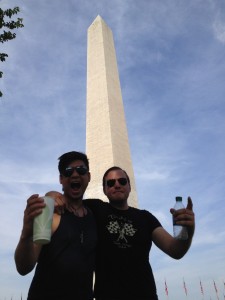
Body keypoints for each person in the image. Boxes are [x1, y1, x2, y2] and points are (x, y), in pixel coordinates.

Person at [83, 166, 195, 300]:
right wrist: (52, 196)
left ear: (130, 187)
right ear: (105, 190)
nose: (117, 185)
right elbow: (69, 200)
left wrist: (188, 229)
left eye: (122, 181)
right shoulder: (95, 209)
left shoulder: (146, 218)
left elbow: (175, 250)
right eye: (111, 183)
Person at [14, 151, 97, 300]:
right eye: (68, 172)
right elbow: (24, 267)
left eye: (81, 170)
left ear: (89, 176)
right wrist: (26, 234)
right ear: (61, 179)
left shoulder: (95, 214)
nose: (75, 175)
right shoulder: (48, 212)